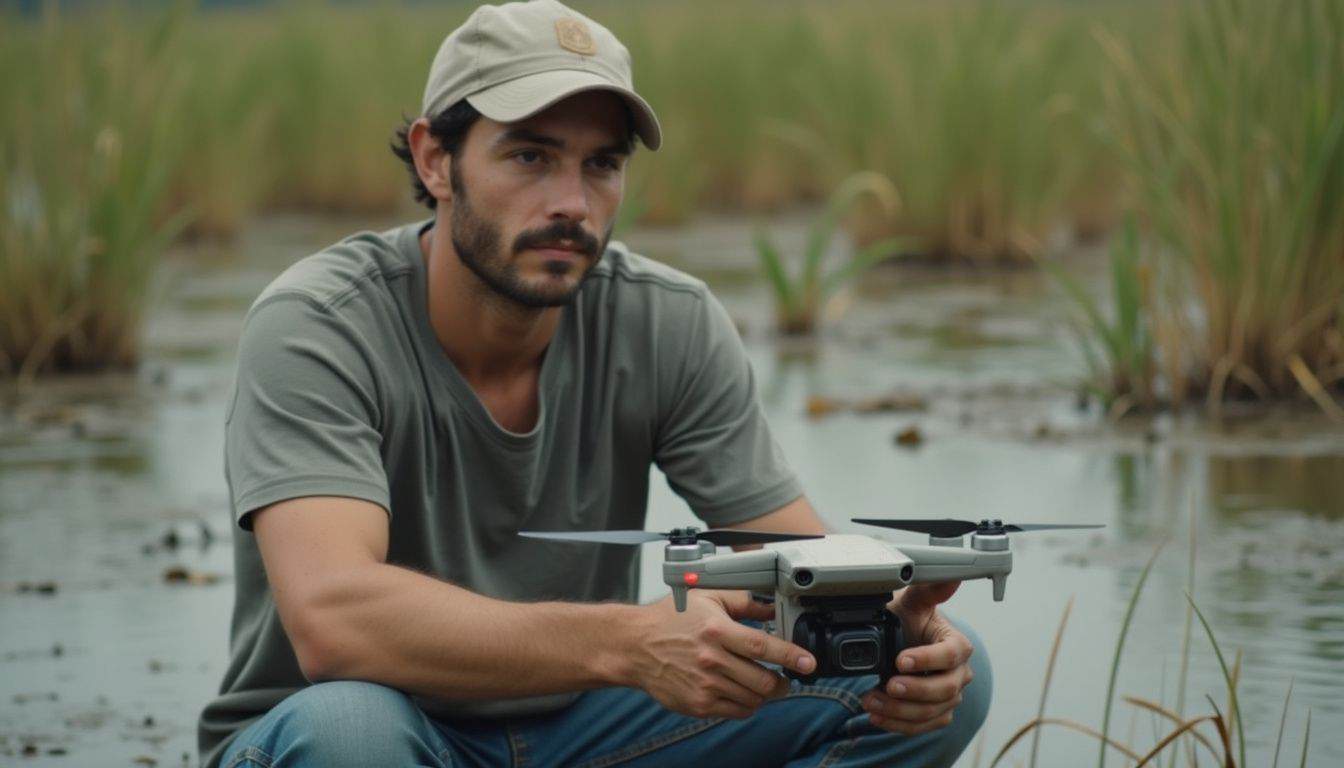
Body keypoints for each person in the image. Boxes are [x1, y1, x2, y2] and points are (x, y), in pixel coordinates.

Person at [198, 1, 990, 766]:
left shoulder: (667, 322)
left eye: (601, 164)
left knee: (934, 678)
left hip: (582, 727)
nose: (572, 204)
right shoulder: (319, 324)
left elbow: (794, 561)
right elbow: (335, 622)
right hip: (360, 731)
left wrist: (898, 630)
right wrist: (626, 644)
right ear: (437, 159)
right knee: (351, 732)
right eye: (530, 156)